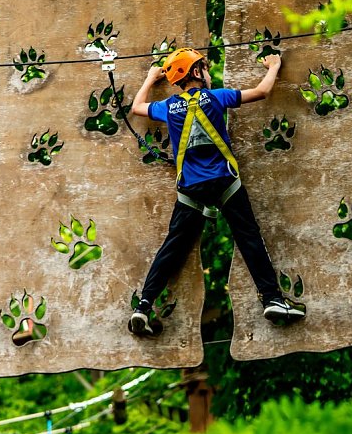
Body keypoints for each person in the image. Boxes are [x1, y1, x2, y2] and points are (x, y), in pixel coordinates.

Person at [128, 47, 304, 336]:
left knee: (172, 248)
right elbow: (261, 92)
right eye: (205, 69)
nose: (209, 74)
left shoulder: (169, 107)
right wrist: (274, 65)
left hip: (191, 189)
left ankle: (143, 306)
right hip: (225, 182)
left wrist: (149, 78)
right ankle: (272, 299)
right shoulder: (217, 97)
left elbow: (137, 107)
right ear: (197, 72)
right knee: (248, 238)